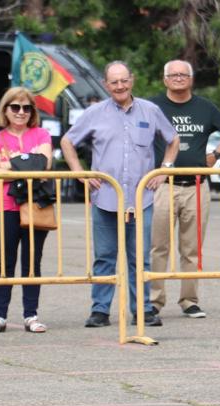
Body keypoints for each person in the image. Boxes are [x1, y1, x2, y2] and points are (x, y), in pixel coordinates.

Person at [61, 61, 179, 328]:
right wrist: (80, 172)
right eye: (114, 82)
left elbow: (173, 140)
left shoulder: (150, 110)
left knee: (141, 257)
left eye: (124, 80)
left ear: (132, 80)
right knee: (104, 256)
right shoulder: (94, 113)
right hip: (105, 199)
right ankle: (100, 311)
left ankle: (143, 310)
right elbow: (68, 141)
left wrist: (165, 170)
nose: (120, 86)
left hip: (141, 199)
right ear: (106, 85)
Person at [149, 60, 220, 319]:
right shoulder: (153, 106)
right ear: (165, 79)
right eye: (173, 74)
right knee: (158, 247)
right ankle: (154, 301)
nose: (178, 78)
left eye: (183, 74)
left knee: (191, 249)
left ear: (191, 79)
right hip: (163, 186)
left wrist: (216, 154)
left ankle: (189, 300)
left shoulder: (204, 107)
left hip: (197, 187)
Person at [0, 87, 52, 334]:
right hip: (3, 206)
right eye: (15, 107)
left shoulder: (42, 134)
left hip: (35, 205)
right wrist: (25, 160)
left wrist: (8, 163)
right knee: (4, 261)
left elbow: (42, 165)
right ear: (6, 109)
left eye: (27, 107)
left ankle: (31, 315)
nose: (21, 112)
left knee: (33, 261)